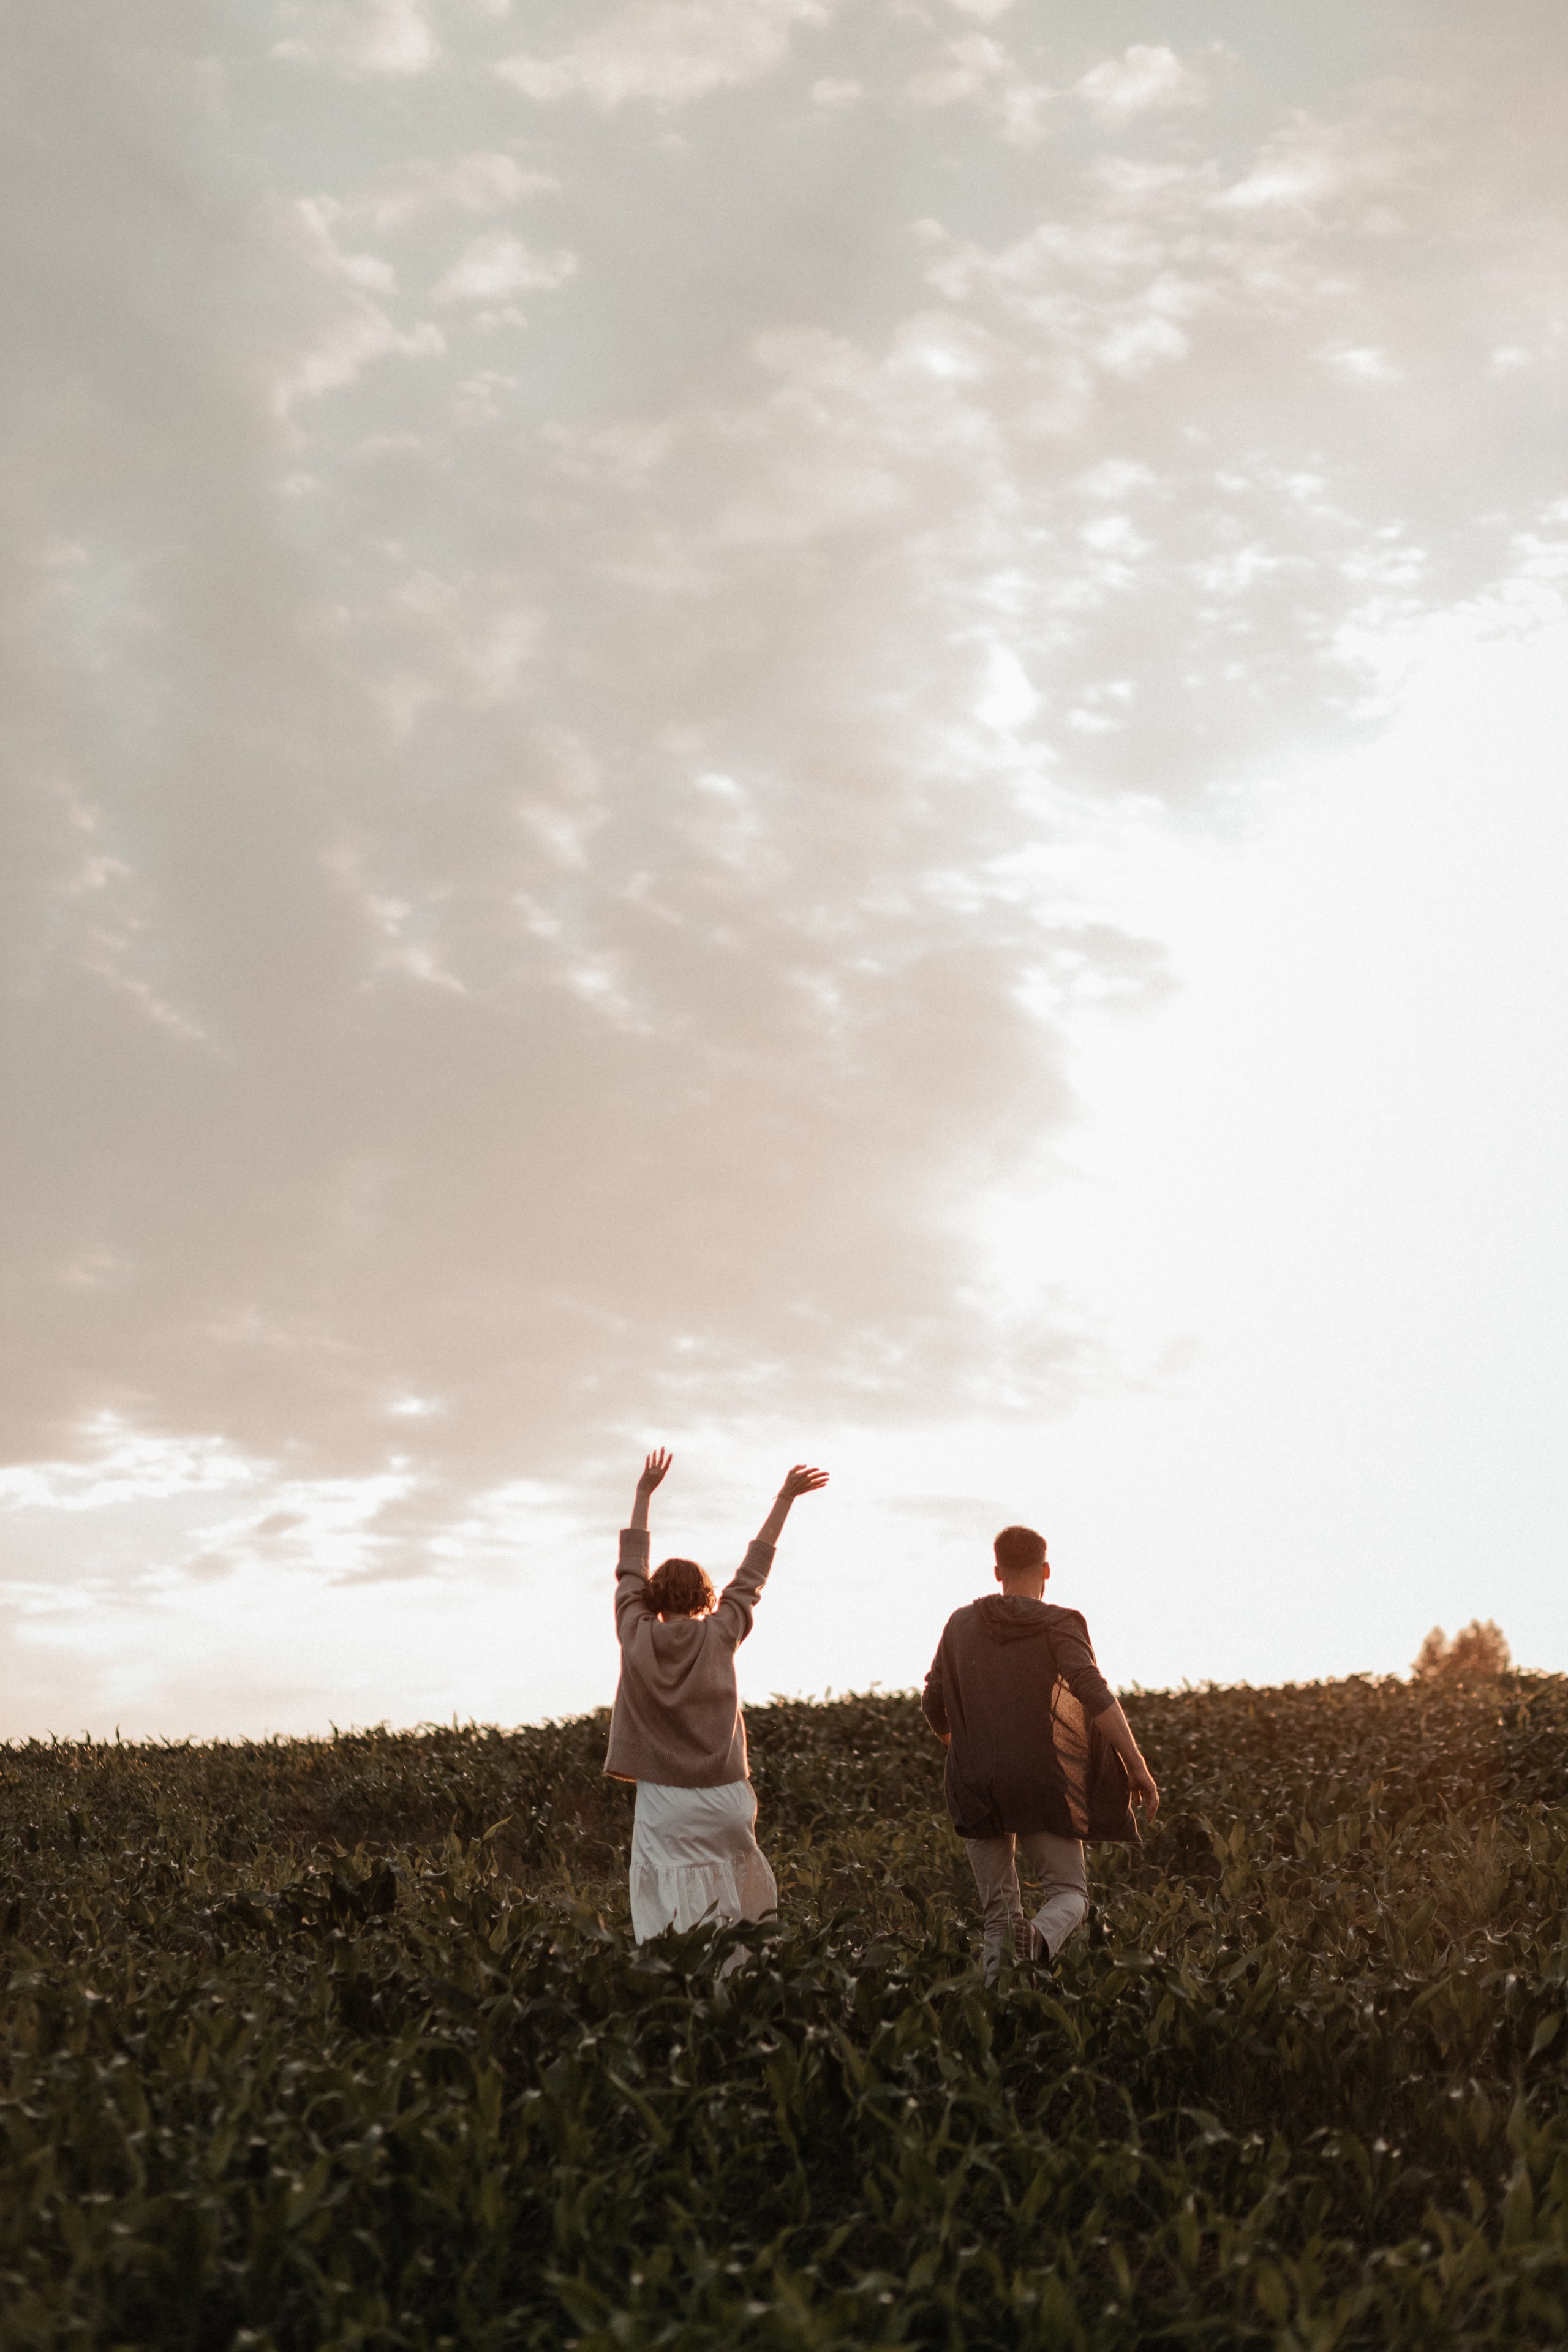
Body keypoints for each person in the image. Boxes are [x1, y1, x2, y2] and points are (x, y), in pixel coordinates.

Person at [605, 1448, 829, 1943]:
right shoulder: (722, 1631)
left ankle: (685, 1980)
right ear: (705, 1597)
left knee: (671, 1911)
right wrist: (785, 1499)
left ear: (652, 1597)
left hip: (666, 1801)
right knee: (737, 1906)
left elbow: (630, 1569)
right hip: (726, 1797)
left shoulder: (634, 1632)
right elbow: (753, 1573)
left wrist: (643, 1494)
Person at [921, 1522, 1158, 1983]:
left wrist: (961, 1747)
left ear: (997, 1571)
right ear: (1046, 1570)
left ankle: (998, 2007)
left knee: (998, 1917)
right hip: (1041, 1781)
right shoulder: (1059, 1624)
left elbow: (933, 1703)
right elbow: (1092, 1690)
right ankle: (1040, 1937)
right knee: (1070, 1894)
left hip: (974, 1783)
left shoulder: (960, 1624)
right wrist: (1137, 1765)